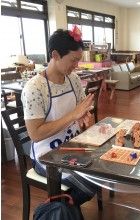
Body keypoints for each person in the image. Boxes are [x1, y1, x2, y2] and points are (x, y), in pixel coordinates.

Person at [21, 27, 98, 206]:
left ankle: (61, 209)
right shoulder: (35, 88)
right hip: (47, 156)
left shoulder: (74, 80)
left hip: (73, 146)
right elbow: (35, 134)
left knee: (104, 173)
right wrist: (73, 115)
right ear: (55, 55)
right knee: (89, 185)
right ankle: (55, 211)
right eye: (73, 60)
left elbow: (82, 114)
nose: (76, 65)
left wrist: (85, 119)